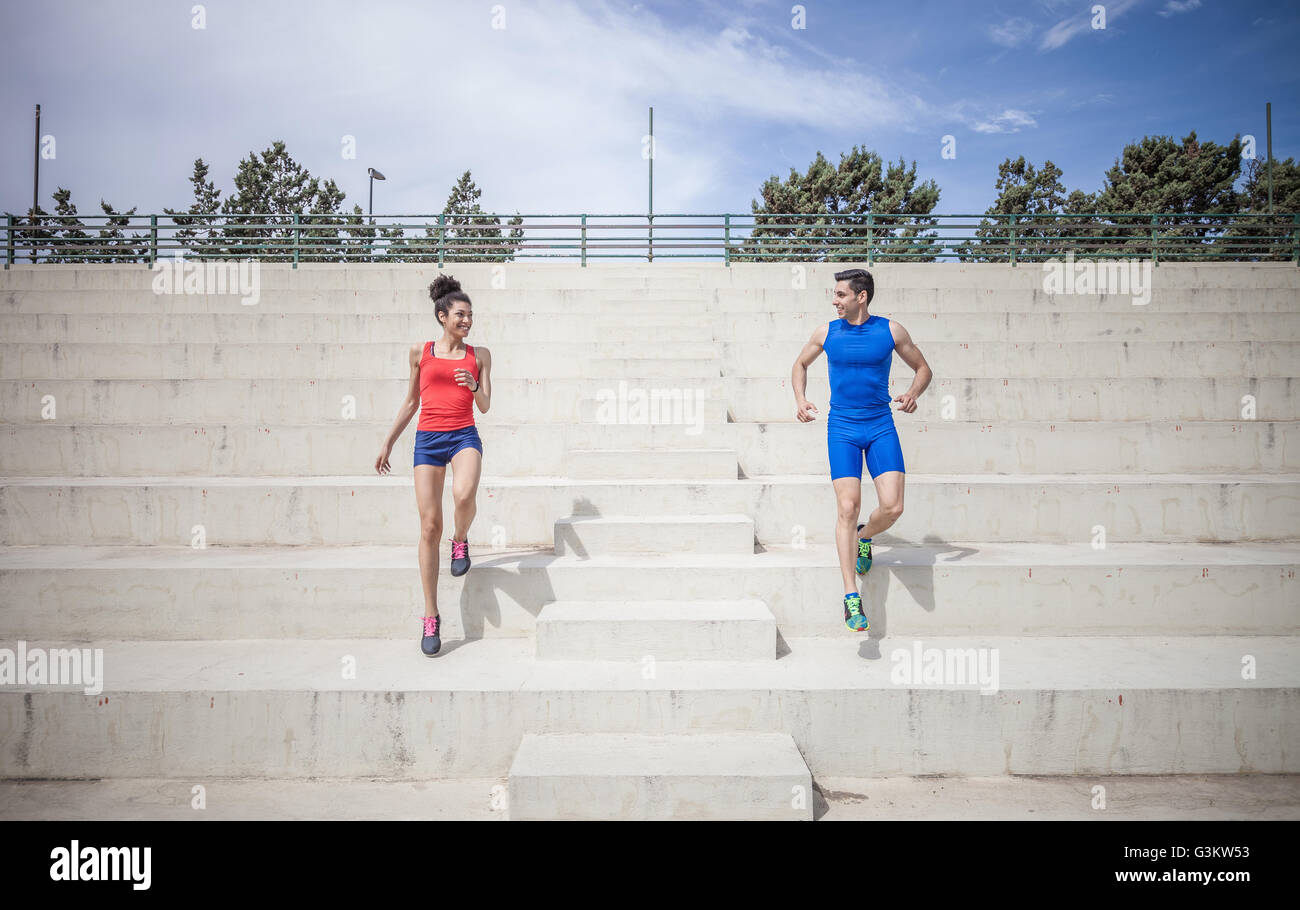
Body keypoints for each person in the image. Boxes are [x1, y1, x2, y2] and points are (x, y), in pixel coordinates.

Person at [791, 268, 932, 631]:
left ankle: (864, 537)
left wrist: (913, 394)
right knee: (847, 506)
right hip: (842, 428)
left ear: (861, 296)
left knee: (894, 506)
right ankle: (851, 596)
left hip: (880, 424)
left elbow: (922, 368)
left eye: (840, 295)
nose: (834, 301)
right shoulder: (827, 332)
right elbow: (800, 363)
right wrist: (800, 398)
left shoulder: (890, 330)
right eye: (834, 295)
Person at [375, 274, 493, 656]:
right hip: (427, 440)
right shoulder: (420, 352)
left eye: (470, 315)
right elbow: (411, 402)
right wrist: (389, 441)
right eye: (461, 314)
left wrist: (474, 386)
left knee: (464, 494)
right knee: (428, 527)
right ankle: (431, 616)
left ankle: (460, 541)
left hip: (463, 436)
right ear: (442, 316)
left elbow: (486, 405)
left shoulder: (480, 355)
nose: (467, 320)